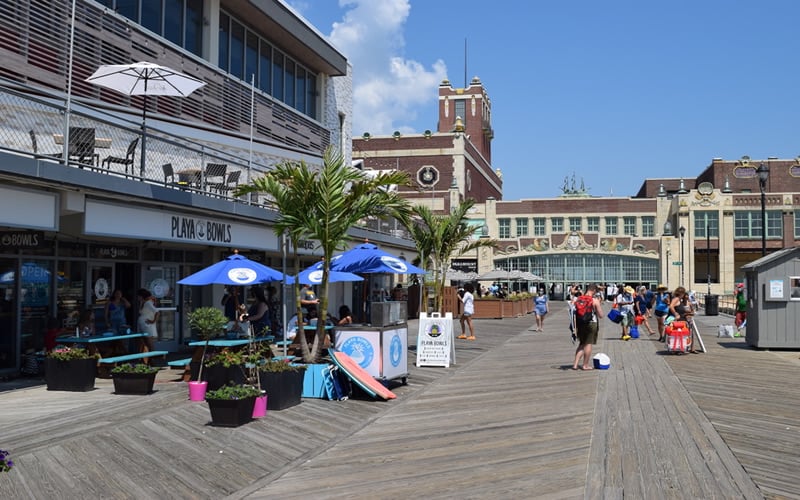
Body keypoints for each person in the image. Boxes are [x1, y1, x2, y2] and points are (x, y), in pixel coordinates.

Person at [572, 283, 604, 370]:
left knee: (582, 343)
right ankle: (585, 365)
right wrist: (598, 305)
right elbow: (601, 315)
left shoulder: (578, 299)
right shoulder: (594, 300)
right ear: (593, 290)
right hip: (591, 323)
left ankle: (575, 364)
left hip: (580, 323)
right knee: (588, 344)